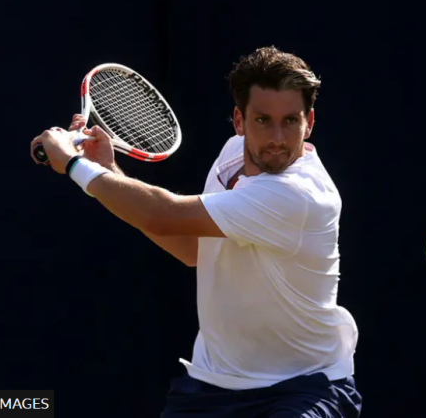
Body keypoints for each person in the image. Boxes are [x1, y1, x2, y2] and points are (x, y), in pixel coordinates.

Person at [30, 46, 361, 417]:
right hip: (213, 386)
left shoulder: (296, 196)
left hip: (303, 388)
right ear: (239, 121)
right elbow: (191, 249)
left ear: (309, 122)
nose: (278, 139)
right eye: (263, 120)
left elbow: (162, 214)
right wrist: (108, 171)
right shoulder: (233, 155)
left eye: (291, 121)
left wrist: (74, 165)